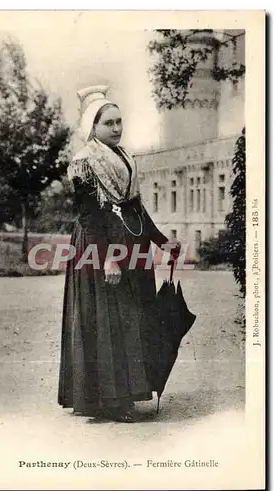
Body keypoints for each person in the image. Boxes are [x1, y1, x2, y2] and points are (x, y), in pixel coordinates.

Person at [58, 85, 181, 423]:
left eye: (119, 121)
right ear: (92, 128)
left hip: (131, 242)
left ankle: (124, 393)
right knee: (109, 319)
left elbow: (135, 207)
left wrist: (161, 241)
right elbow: (89, 214)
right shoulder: (84, 162)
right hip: (99, 245)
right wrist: (107, 258)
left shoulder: (126, 157)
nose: (116, 128)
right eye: (108, 123)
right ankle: (111, 400)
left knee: (132, 319)